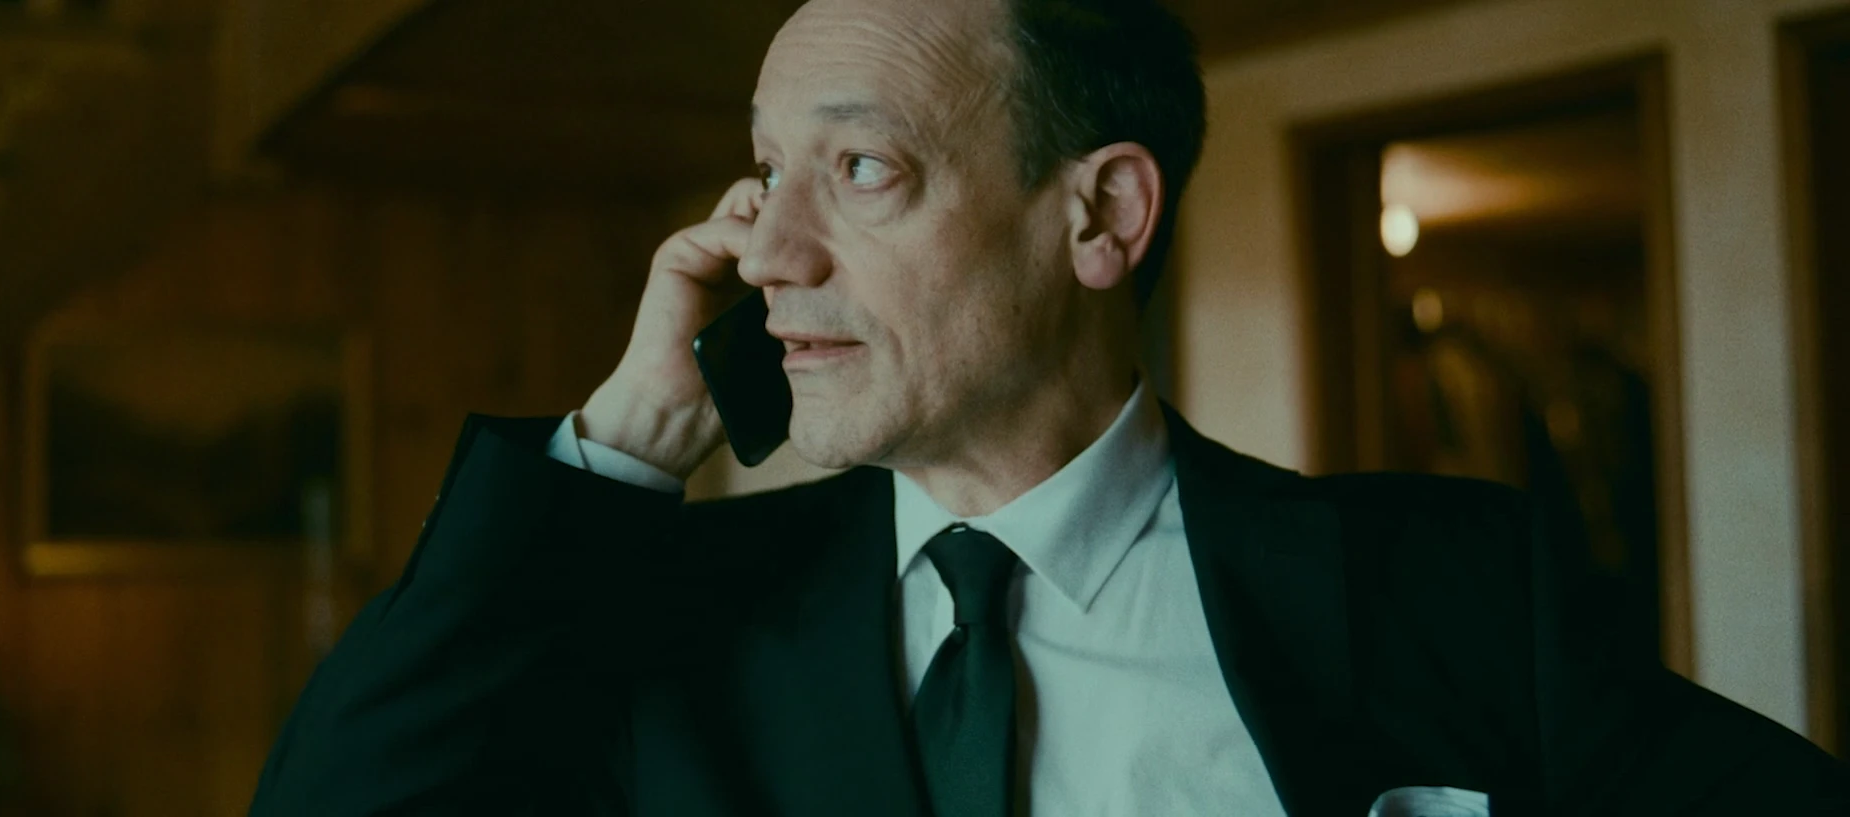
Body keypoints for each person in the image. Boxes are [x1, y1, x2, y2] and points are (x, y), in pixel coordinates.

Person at [248, 0, 1850, 813]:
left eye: (860, 168)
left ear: (1099, 217)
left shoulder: (1447, 586)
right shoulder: (671, 616)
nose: (767, 250)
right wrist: (617, 450)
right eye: (766, 170)